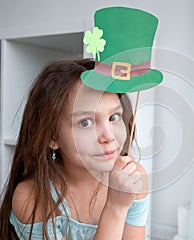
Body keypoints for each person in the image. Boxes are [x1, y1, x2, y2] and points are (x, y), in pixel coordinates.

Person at [0, 6, 163, 240]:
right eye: (85, 122)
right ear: (52, 137)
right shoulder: (33, 197)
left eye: (113, 117)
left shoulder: (133, 177)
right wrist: (116, 208)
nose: (108, 136)